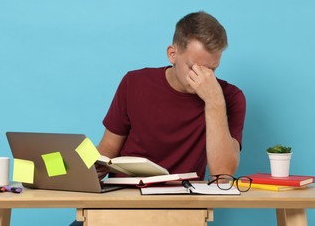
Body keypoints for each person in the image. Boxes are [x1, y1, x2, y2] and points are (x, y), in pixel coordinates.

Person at [96, 11, 246, 180]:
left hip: (184, 200)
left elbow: (223, 173)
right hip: (126, 194)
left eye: (211, 69)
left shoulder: (230, 97)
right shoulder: (134, 82)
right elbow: (108, 146)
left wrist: (214, 101)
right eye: (193, 67)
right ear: (172, 55)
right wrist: (91, 168)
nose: (202, 77)